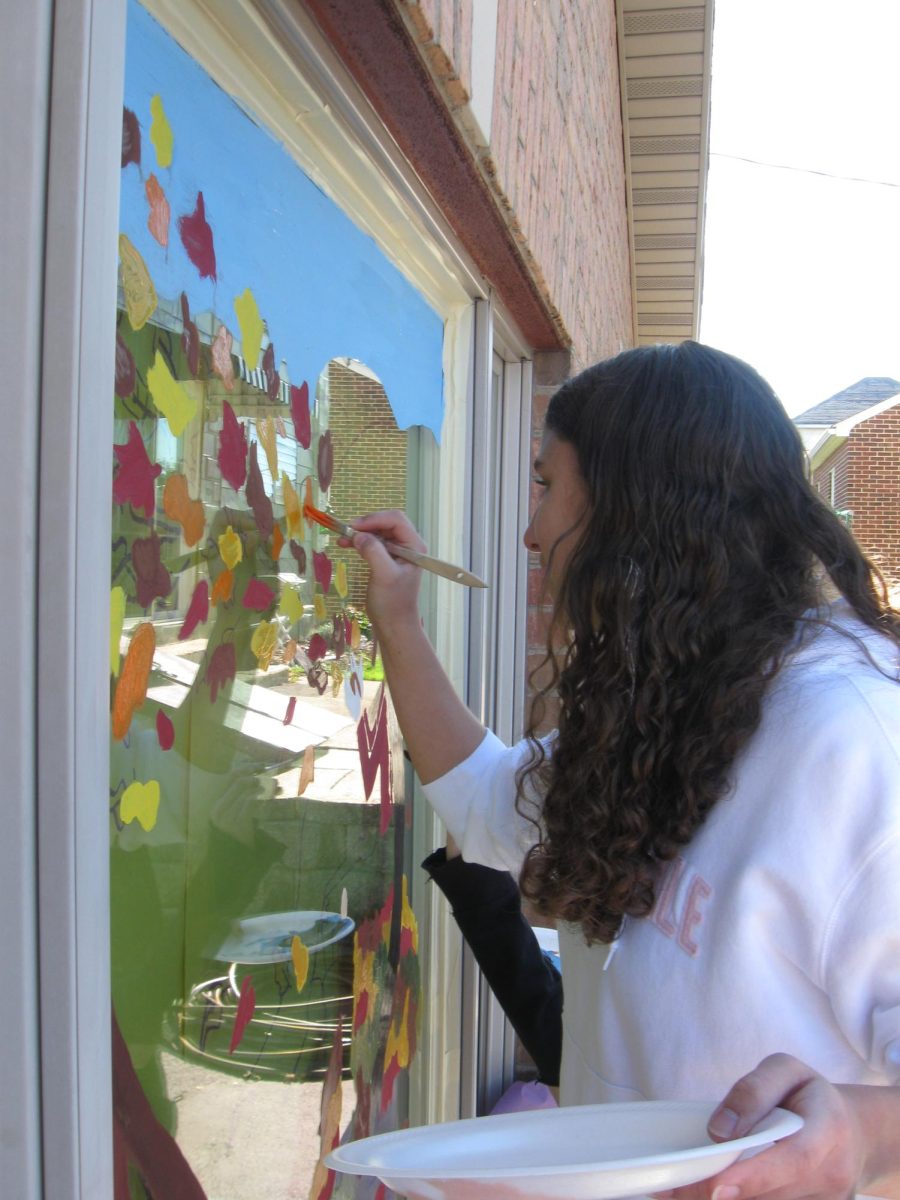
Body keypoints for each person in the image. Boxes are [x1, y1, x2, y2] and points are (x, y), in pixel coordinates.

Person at [345, 342, 900, 1199]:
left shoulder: (859, 738)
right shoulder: (677, 690)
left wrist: (860, 1137)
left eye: (545, 486)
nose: (531, 533)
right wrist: (399, 623)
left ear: (638, 508)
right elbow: (487, 806)